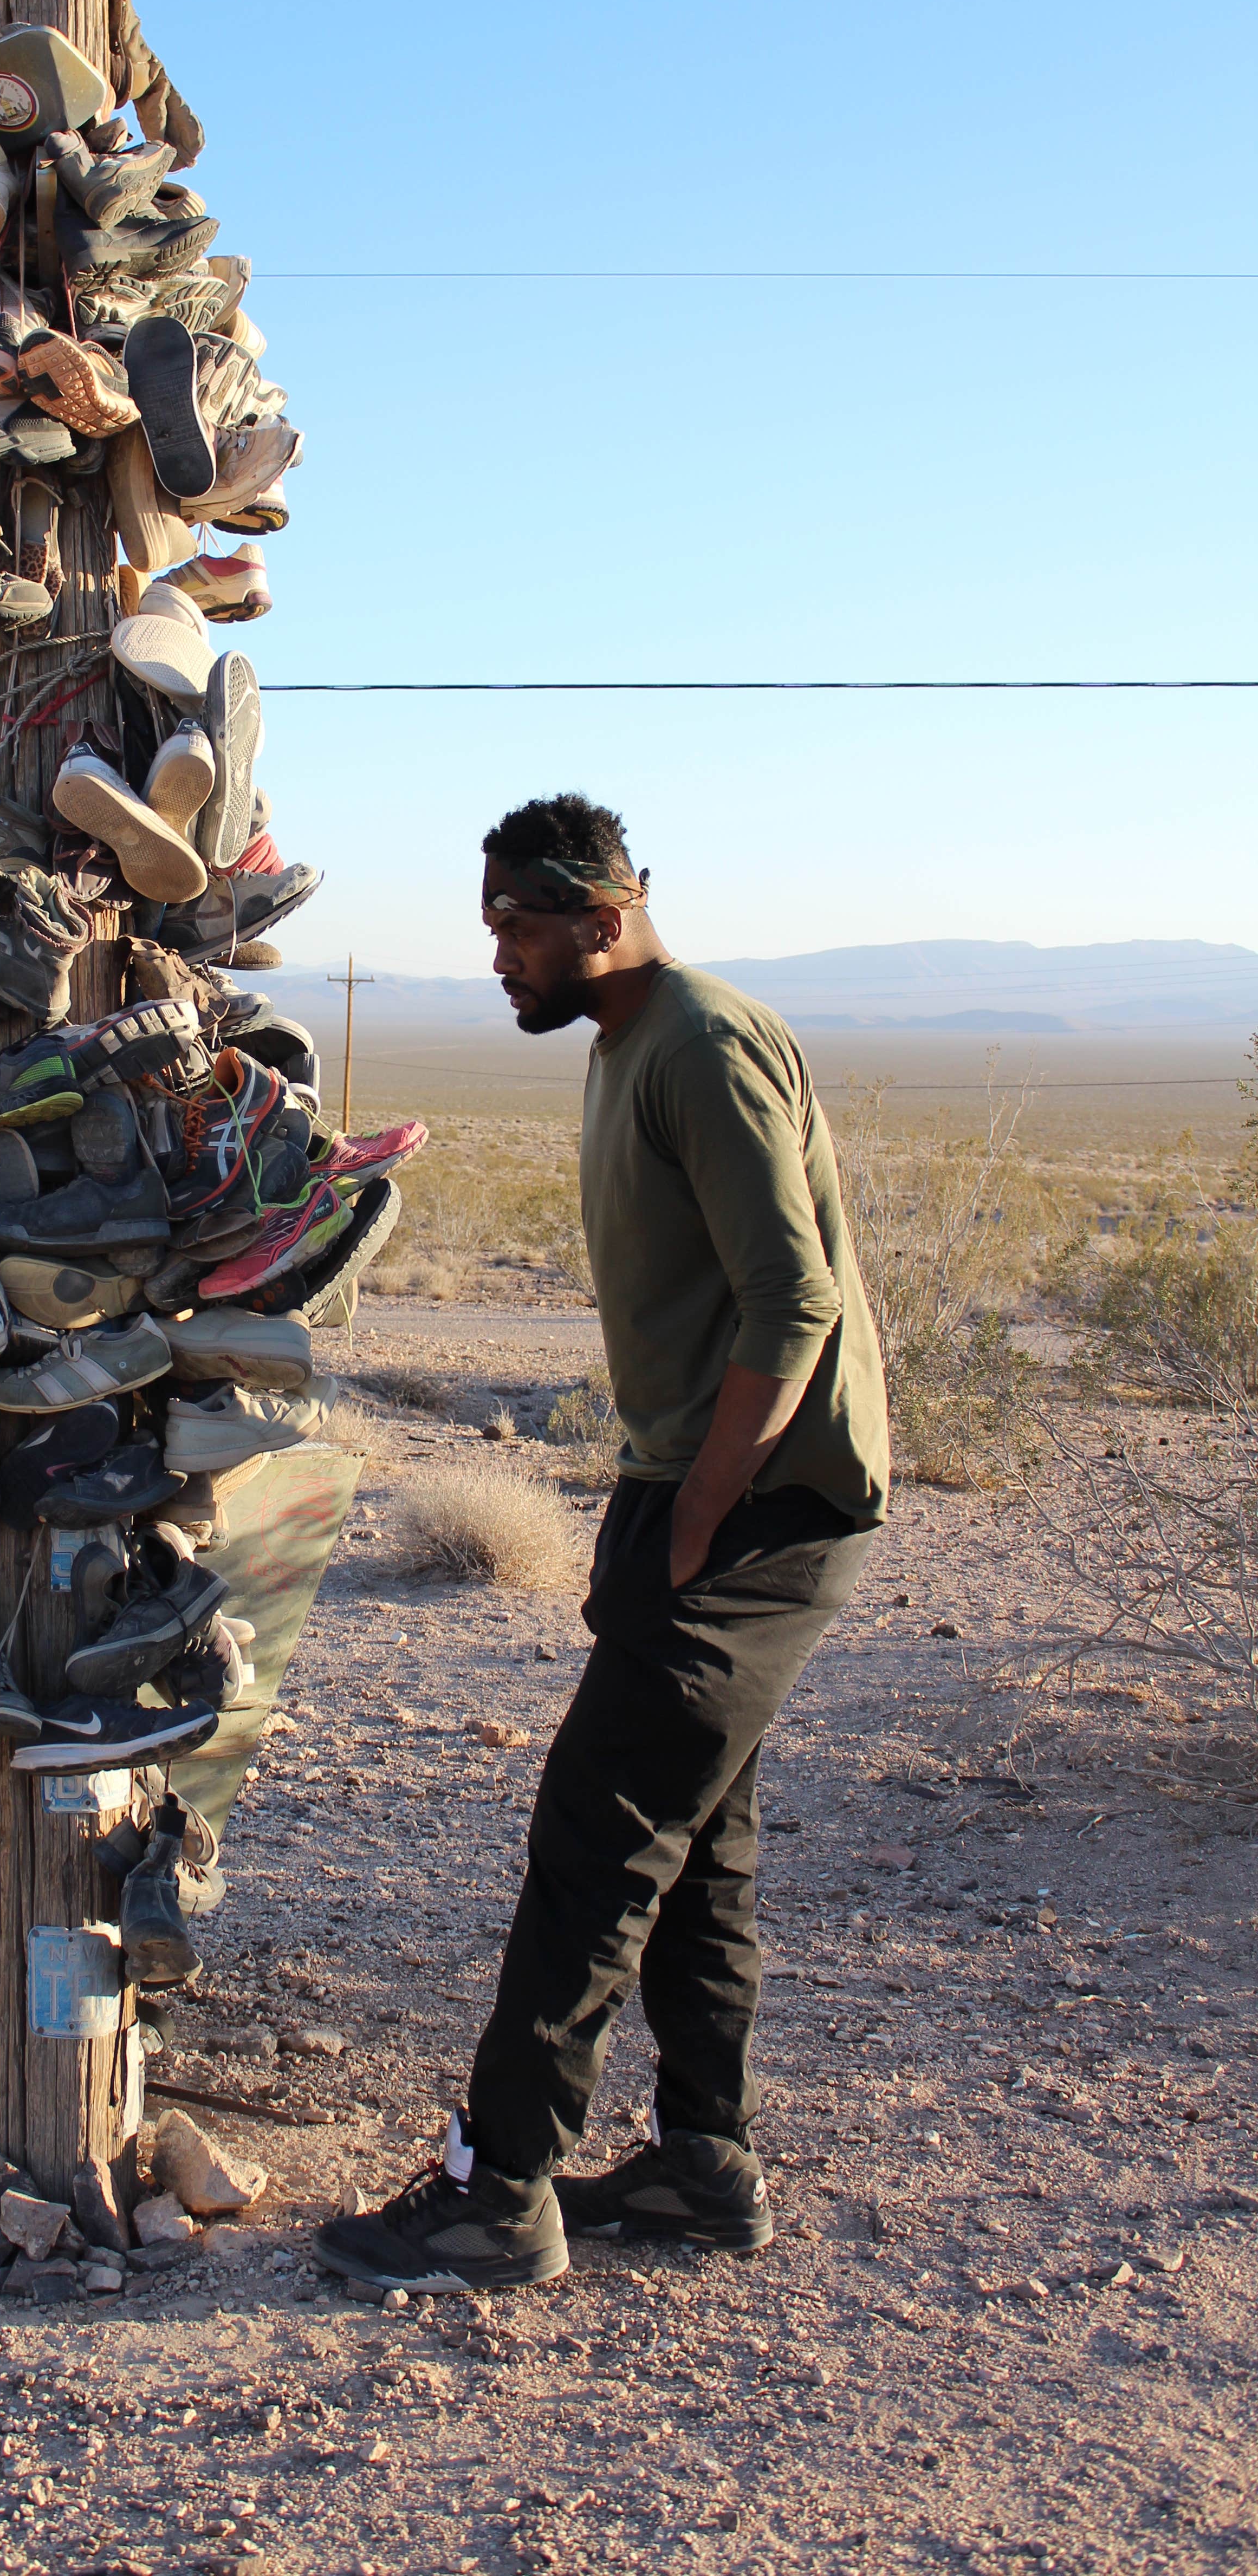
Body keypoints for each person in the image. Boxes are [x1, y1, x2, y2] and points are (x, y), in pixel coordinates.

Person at [316, 792, 889, 2291]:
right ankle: (707, 2165)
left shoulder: (696, 1043)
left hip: (754, 1507)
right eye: (494, 926)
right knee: (701, 1851)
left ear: (604, 916)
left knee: (597, 1839)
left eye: (519, 928)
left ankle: (498, 2187)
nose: (500, 957)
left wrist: (696, 1520)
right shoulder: (634, 1042)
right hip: (697, 1492)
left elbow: (797, 1300)